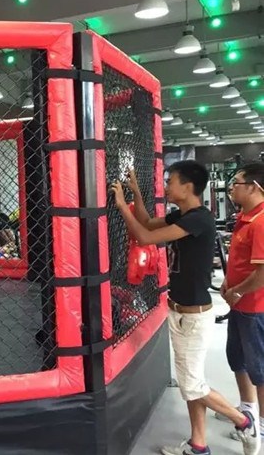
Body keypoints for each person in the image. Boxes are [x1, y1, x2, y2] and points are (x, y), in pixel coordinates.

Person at [109, 162, 260, 455]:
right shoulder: (182, 215)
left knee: (192, 385)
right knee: (193, 382)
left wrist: (121, 206)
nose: (166, 187)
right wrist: (135, 192)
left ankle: (244, 422)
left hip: (193, 316)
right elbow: (147, 223)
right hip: (179, 311)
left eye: (171, 182)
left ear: (188, 187)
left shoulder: (199, 219)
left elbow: (145, 237)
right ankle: (198, 445)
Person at [216, 162, 264, 445]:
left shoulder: (261, 222)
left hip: (255, 308)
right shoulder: (245, 217)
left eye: (237, 183)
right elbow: (241, 261)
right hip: (239, 305)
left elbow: (262, 274)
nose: (231, 188)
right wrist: (228, 282)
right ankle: (248, 409)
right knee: (237, 358)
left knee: (260, 369)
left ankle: (262, 426)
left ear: (255, 187)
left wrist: (237, 291)